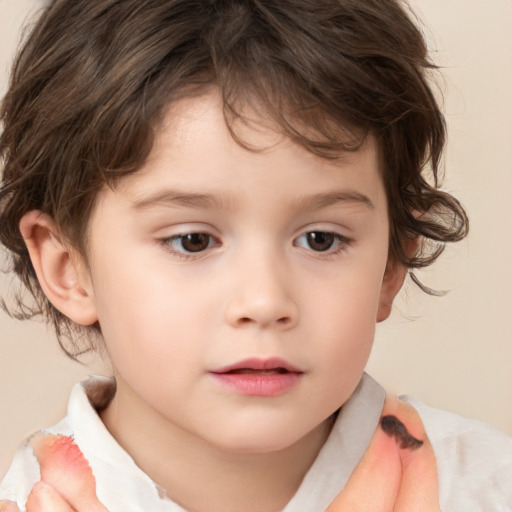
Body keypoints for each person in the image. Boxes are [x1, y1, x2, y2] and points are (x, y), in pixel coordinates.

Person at [0, 0, 511, 510]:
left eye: (320, 239)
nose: (264, 301)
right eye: (193, 240)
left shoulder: (486, 487)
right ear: (67, 267)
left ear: (390, 267)